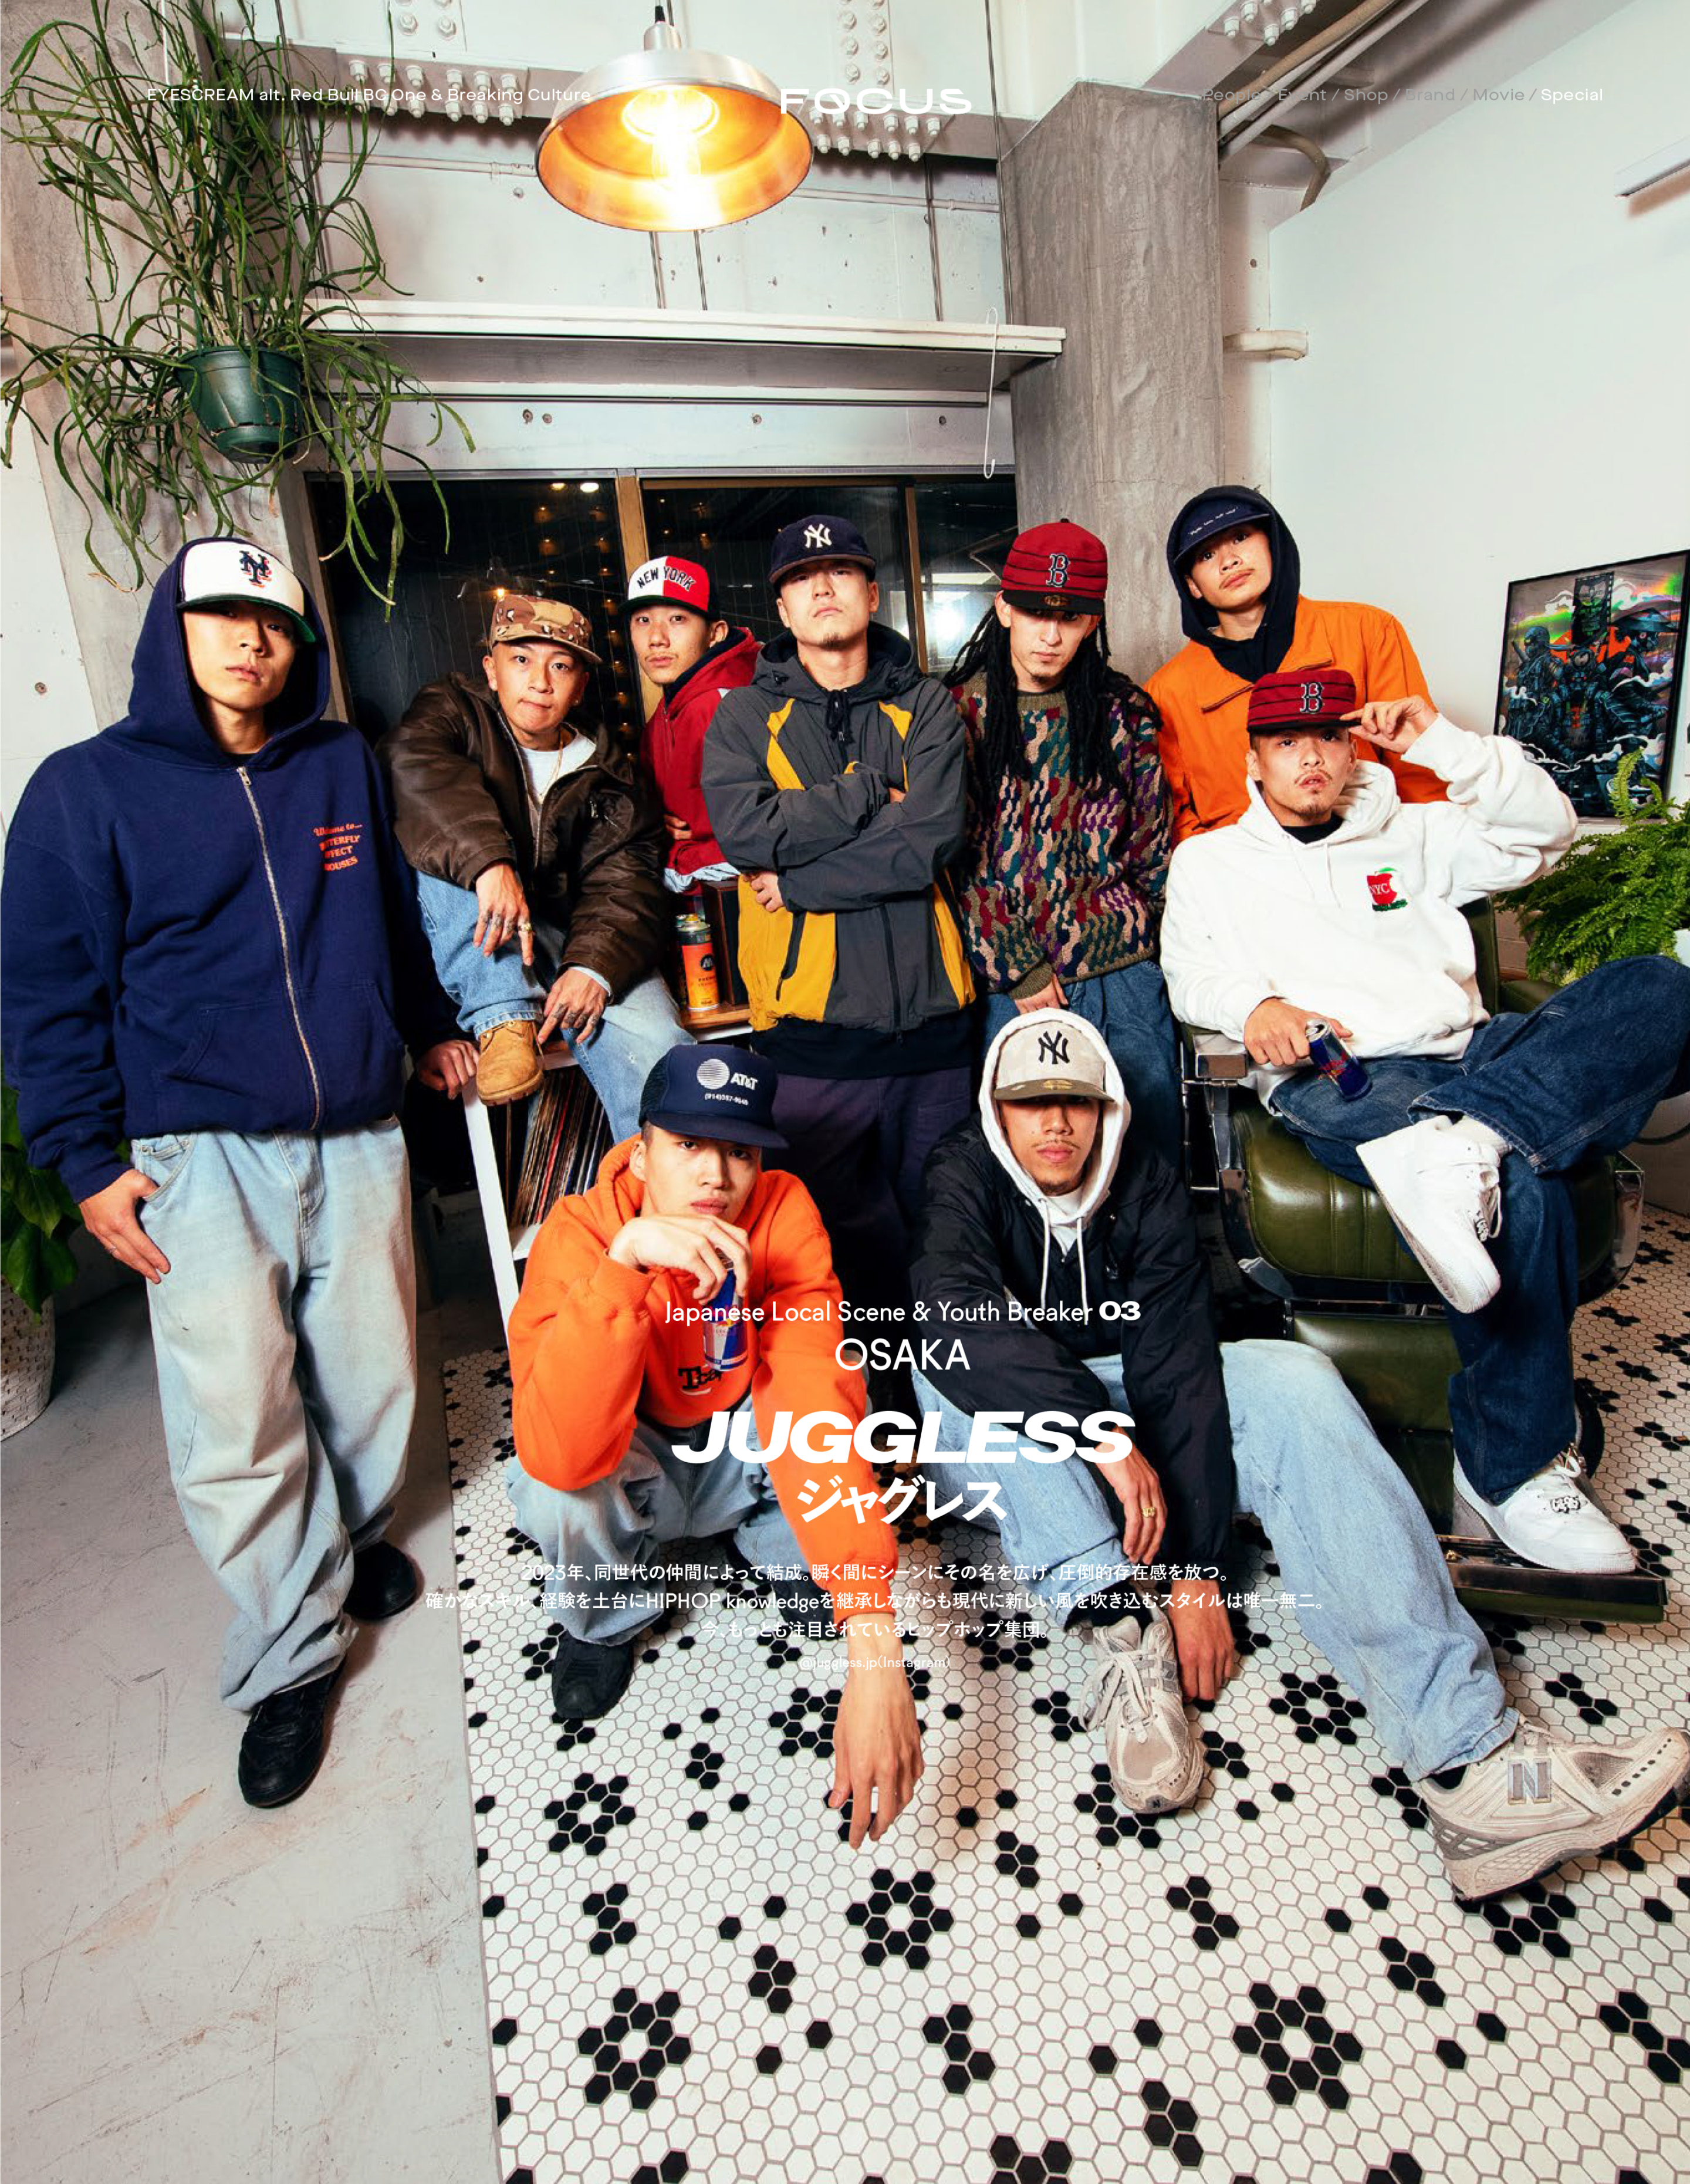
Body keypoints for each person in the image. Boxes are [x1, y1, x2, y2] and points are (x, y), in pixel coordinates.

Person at [907, 1010, 1689, 1902]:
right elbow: (951, 1310)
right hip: (1004, 1433)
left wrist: (1196, 1567)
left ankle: (1470, 1761)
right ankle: (1123, 1631)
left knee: (1293, 1378)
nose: (1055, 1124)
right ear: (995, 1110)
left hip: (1120, 1390)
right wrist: (1100, 1434)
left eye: (1075, 1101)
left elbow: (1177, 1362)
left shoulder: (1144, 1176)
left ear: (1107, 1107)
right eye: (1030, 1103)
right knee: (955, 1371)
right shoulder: (961, 1168)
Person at [0, 537, 476, 1808]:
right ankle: (291, 1650)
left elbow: (387, 922)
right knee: (239, 1411)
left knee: (373, 1378)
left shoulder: (337, 762)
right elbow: (45, 992)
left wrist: (430, 1027)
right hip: (195, 1151)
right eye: (220, 615)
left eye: (271, 621)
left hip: (357, 1130)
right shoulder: (83, 790)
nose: (250, 640)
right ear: (174, 629)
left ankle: (344, 1548)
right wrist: (83, 1159)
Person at [1160, 668, 1690, 1574]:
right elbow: (1192, 975)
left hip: (1470, 1051)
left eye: (1330, 736)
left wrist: (1444, 745)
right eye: (1287, 741)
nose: (1311, 757)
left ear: (1354, 747)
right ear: (1254, 758)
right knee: (1528, 1183)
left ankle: (1474, 1135)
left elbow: (1547, 833)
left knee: (1663, 987)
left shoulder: (1417, 831)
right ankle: (1514, 1470)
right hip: (1343, 1066)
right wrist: (1256, 1006)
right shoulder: (1211, 862)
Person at [505, 1046, 922, 1848]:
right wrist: (625, 1267)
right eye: (688, 1143)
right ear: (641, 1151)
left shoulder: (782, 1207)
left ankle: (777, 1548)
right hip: (635, 1464)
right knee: (550, 1484)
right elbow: (560, 1448)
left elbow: (811, 1399)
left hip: (735, 1452)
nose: (716, 1174)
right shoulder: (580, 1229)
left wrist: (872, 1630)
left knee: (846, 1400)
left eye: (739, 1150)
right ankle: (604, 1617)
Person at [701, 514, 975, 1318]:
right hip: (809, 1039)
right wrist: (865, 793)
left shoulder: (927, 705)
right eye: (800, 579)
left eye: (842, 571)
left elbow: (928, 841)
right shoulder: (743, 718)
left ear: (872, 594)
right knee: (823, 1259)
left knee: (946, 1242)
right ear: (782, 609)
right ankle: (859, 1388)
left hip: (933, 1033)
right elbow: (750, 834)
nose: (822, 587)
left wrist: (800, 883)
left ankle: (944, 1383)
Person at [382, 592, 688, 1131]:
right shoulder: (452, 713)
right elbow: (417, 771)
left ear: (580, 686)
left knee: (663, 1053)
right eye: (521, 659)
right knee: (446, 851)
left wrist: (592, 968)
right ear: (491, 670)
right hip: (479, 941)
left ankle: (658, 1179)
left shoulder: (611, 770)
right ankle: (502, 1018)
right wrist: (489, 864)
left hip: (573, 937)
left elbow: (626, 883)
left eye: (561, 666)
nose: (540, 682)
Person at [947, 518, 1181, 1166]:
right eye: (1034, 613)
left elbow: (1153, 847)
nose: (1050, 635)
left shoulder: (1124, 712)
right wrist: (1016, 964)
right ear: (1004, 609)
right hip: (1013, 980)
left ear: (1091, 623)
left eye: (1070, 618)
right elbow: (952, 861)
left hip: (1125, 974)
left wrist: (1149, 953)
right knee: (1029, 1166)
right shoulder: (957, 713)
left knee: (1147, 1155)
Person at [1148, 486, 1446, 843]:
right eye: (1207, 555)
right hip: (1244, 864)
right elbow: (1176, 817)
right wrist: (1226, 866)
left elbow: (1417, 767)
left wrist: (1420, 854)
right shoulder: (1167, 691)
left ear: (1273, 544)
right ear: (1192, 585)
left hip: (1368, 850)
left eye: (1241, 537)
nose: (1229, 561)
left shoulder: (1367, 631)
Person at [624, 552, 760, 888]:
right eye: (643, 620)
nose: (657, 638)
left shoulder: (725, 703)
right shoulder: (673, 702)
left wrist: (659, 852)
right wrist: (650, 820)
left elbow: (751, 847)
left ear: (715, 634)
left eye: (677, 619)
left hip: (743, 900)